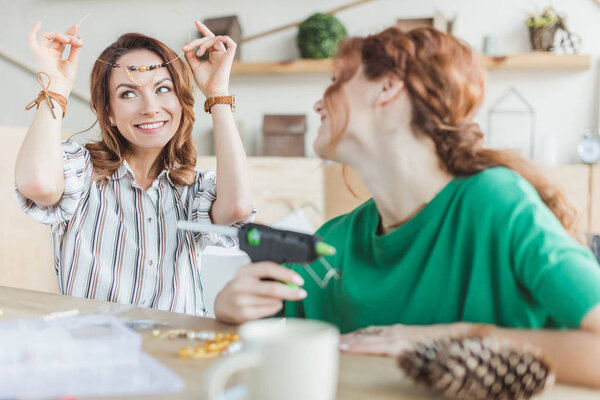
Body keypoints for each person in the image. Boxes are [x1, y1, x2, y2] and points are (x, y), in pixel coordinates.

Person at [213, 27, 600, 387]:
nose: (318, 103)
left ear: (388, 86)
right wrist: (232, 310)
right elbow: (264, 354)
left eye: (337, 81)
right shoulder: (333, 241)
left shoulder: (495, 201)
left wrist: (456, 337)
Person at [15, 20, 254, 316]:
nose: (150, 107)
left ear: (181, 101)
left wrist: (217, 95)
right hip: (94, 353)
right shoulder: (80, 172)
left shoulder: (192, 189)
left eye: (163, 89)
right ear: (109, 113)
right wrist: (55, 88)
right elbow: (37, 183)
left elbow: (238, 208)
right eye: (128, 93)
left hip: (178, 356)